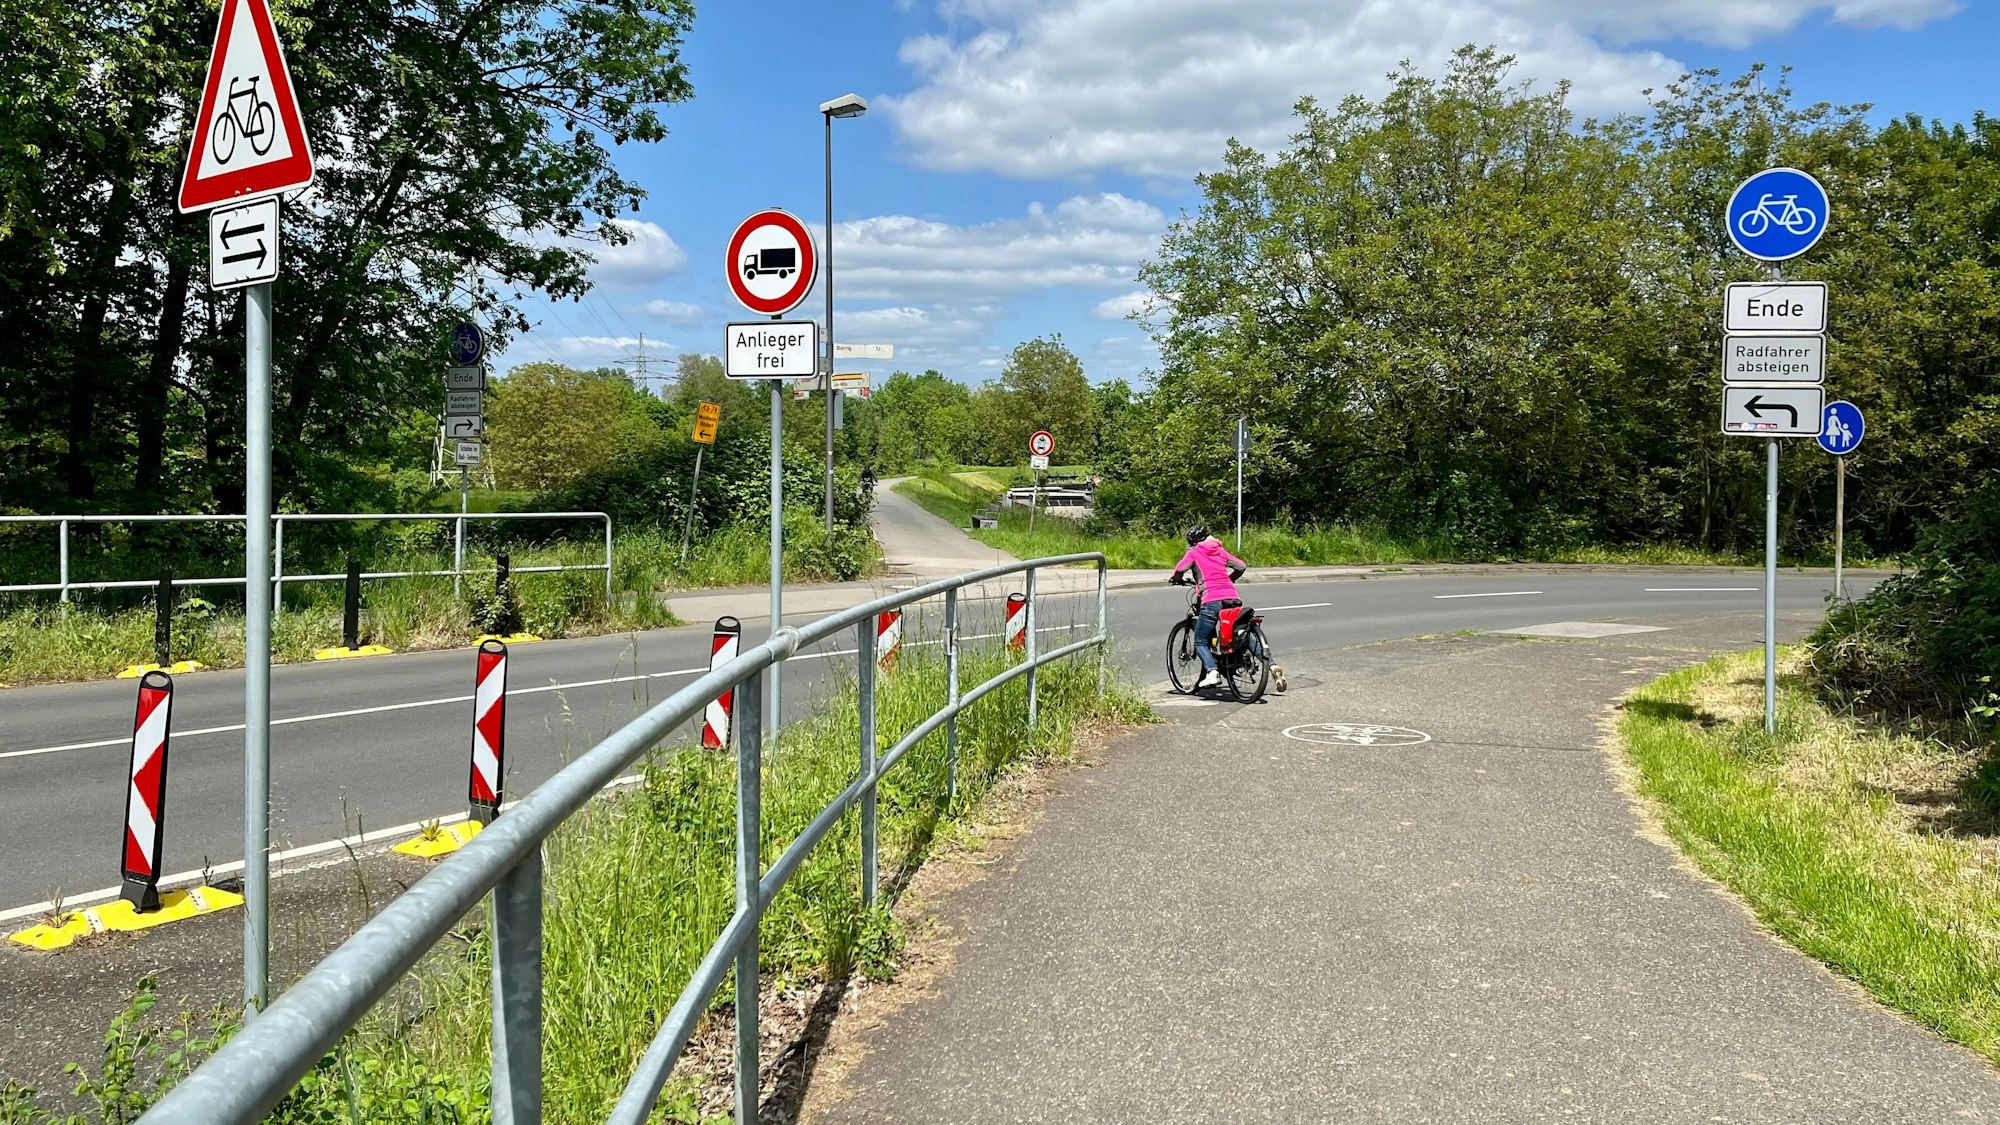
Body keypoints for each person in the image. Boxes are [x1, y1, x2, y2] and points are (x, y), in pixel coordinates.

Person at [1170, 524, 1246, 690]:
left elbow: (1179, 569)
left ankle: (1212, 671)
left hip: (1212, 597)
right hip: (1233, 596)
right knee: (1237, 633)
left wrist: (1176, 578)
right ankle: (1271, 663)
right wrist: (1230, 579)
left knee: (1199, 640)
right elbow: (1241, 566)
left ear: (1194, 541)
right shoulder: (1219, 550)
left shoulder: (1195, 552)